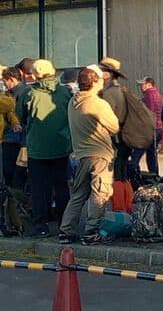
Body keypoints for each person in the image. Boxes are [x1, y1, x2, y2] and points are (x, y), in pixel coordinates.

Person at [58, 66, 118, 245]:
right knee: (99, 194)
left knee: (78, 194)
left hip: (82, 154)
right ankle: (91, 232)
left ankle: (66, 231)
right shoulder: (98, 104)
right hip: (100, 154)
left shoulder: (73, 102)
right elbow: (114, 126)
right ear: (95, 82)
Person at [19, 59, 71, 238]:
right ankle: (65, 222)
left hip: (37, 148)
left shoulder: (29, 93)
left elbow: (21, 117)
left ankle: (40, 225)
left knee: (39, 188)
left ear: (35, 75)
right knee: (61, 185)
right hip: (61, 145)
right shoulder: (65, 92)